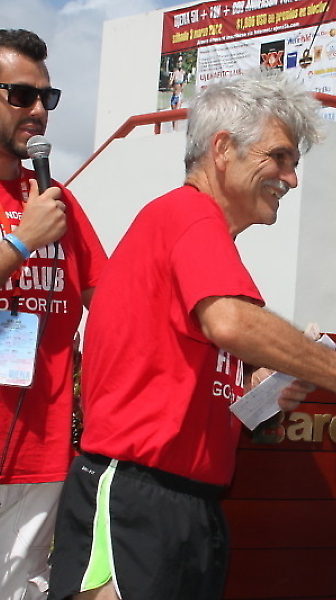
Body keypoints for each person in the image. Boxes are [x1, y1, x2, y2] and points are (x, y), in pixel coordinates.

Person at [47, 70, 336, 600]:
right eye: (279, 157)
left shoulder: (198, 236)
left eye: (294, 163)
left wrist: (261, 394)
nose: (291, 178)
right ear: (222, 149)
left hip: (185, 504)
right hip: (137, 499)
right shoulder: (189, 215)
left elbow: (188, 379)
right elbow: (233, 323)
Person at [0, 29, 107, 600]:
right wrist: (21, 242)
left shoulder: (56, 201)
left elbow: (111, 301)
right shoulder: (39, 221)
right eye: (22, 95)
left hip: (40, 454)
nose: (39, 110)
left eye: (48, 97)